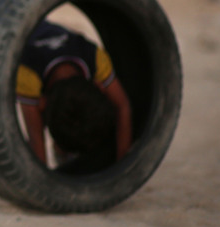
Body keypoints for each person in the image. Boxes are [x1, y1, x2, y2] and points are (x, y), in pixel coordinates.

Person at [16, 20, 133, 174]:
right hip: (8, 36)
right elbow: (36, 140)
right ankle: (62, 152)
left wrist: (122, 164)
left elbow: (123, 107)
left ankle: (64, 150)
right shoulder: (27, 75)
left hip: (42, 36)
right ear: (41, 104)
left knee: (75, 119)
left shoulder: (95, 57)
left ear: (99, 86)